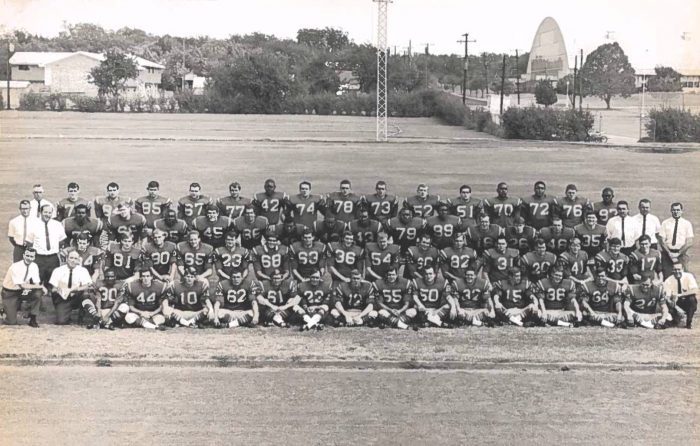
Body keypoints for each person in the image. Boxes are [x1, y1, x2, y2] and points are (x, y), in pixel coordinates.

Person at [47, 250, 95, 325]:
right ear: (67, 259)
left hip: (77, 296)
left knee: (86, 295)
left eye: (75, 258)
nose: (73, 260)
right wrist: (63, 290)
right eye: (71, 258)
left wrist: (75, 289)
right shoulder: (58, 270)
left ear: (78, 260)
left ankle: (83, 316)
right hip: (63, 297)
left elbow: (88, 285)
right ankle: (64, 312)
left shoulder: (83, 270)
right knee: (61, 321)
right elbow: (53, 289)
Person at [1, 248, 43, 327]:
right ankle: (4, 308)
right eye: (27, 255)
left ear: (34, 258)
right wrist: (41, 286)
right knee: (11, 322)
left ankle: (33, 318)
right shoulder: (15, 266)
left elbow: (36, 283)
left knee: (38, 293)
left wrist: (40, 287)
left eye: (31, 256)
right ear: (23, 255)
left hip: (21, 291)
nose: (29, 258)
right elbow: (22, 285)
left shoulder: (34, 266)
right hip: (10, 292)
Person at [26, 204, 67, 285]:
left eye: (49, 212)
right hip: (38, 258)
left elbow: (62, 240)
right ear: (41, 212)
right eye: (45, 212)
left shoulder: (57, 225)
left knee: (53, 283)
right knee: (36, 282)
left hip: (53, 258)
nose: (47, 214)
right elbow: (29, 242)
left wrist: (55, 249)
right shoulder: (33, 225)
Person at [658, 202, 694, 278]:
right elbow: (662, 241)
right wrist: (669, 253)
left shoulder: (687, 224)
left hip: (681, 254)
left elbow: (689, 242)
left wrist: (679, 253)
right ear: (671, 211)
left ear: (681, 211)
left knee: (683, 276)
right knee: (667, 276)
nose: (676, 212)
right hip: (667, 254)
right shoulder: (665, 223)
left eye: (678, 210)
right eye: (674, 210)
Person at [662, 262, 697, 329]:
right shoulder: (668, 280)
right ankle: (675, 319)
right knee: (667, 303)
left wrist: (679, 295)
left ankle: (689, 322)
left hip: (687, 301)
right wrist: (672, 303)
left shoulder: (689, 276)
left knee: (691, 298)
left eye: (679, 269)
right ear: (672, 270)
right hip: (676, 303)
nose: (677, 271)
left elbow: (695, 290)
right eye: (675, 269)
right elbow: (667, 296)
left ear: (683, 269)